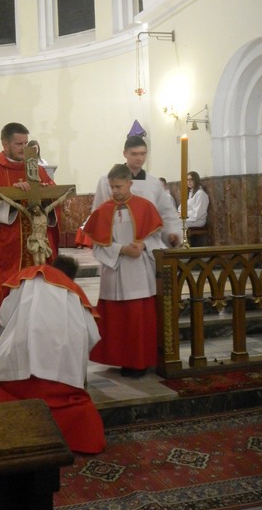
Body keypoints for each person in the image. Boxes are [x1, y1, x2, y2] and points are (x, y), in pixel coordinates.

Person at [0, 255, 106, 454]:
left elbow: (4, 316)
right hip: (57, 380)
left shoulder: (27, 277)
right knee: (77, 407)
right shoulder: (75, 293)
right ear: (71, 277)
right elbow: (92, 335)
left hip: (16, 372)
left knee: (2, 388)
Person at [0, 122, 61, 360]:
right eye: (19, 144)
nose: (24, 148)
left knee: (38, 293)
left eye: (26, 143)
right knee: (6, 294)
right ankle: (4, 354)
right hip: (5, 249)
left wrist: (42, 194)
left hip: (36, 246)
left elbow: (54, 197)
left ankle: (38, 347)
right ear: (5, 144)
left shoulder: (36, 170)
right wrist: (12, 195)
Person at [84, 164, 163, 378]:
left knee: (137, 319)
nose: (115, 191)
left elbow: (156, 237)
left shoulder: (145, 207)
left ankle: (139, 362)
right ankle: (119, 359)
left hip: (138, 271)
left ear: (129, 183)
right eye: (112, 187)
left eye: (118, 186)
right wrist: (121, 249)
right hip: (115, 270)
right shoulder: (103, 211)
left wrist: (143, 245)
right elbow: (98, 245)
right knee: (117, 320)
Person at [92, 136, 182, 248]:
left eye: (143, 154)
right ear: (125, 154)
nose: (139, 158)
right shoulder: (107, 180)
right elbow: (99, 214)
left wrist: (172, 233)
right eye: (134, 154)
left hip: (147, 244)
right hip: (118, 242)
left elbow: (166, 213)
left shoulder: (154, 184)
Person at [0, 185, 75, 265]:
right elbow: (14, 204)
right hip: (34, 240)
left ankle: (42, 275)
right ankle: (36, 275)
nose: (35, 211)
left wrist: (68, 192)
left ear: (39, 206)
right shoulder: (31, 216)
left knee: (43, 260)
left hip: (43, 240)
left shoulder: (45, 212)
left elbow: (57, 202)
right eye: (33, 210)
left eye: (36, 208)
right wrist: (0, 195)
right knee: (37, 261)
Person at [179, 170, 210, 246]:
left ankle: (183, 246)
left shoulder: (201, 194)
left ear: (196, 180)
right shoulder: (189, 193)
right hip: (187, 217)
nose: (189, 182)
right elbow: (180, 208)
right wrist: (180, 214)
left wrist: (184, 214)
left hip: (198, 220)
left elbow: (197, 213)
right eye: (187, 180)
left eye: (191, 179)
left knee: (177, 224)